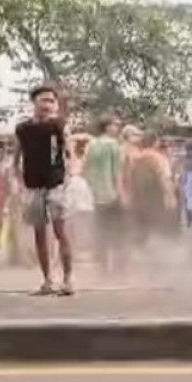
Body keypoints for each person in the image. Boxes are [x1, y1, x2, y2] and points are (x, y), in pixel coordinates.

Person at [14, 84, 73, 296]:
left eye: (51, 101)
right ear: (34, 103)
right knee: (39, 233)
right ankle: (47, 279)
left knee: (60, 230)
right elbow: (17, 156)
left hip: (55, 182)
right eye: (43, 100)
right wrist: (18, 180)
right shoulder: (23, 129)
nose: (47, 104)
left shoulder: (59, 125)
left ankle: (67, 280)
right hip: (33, 184)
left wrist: (69, 176)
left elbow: (69, 153)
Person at [83, 115, 125, 275]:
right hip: (110, 193)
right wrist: (121, 193)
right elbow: (117, 172)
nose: (118, 128)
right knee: (116, 230)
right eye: (115, 125)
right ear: (107, 126)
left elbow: (85, 168)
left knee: (100, 230)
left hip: (93, 193)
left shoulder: (91, 144)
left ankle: (102, 267)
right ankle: (116, 267)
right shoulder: (113, 145)